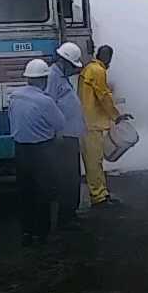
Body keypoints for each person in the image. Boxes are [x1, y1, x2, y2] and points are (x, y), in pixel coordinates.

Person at [9, 59, 66, 245]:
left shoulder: (15, 97)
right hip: (42, 150)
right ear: (43, 79)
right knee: (43, 193)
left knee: (25, 193)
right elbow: (60, 124)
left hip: (20, 150)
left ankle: (26, 232)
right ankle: (41, 234)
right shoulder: (45, 101)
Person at [78, 44, 128, 208]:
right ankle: (99, 197)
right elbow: (103, 97)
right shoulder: (98, 71)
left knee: (95, 161)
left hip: (88, 122)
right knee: (94, 162)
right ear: (108, 59)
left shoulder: (89, 68)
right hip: (91, 124)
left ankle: (101, 193)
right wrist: (117, 116)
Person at [45, 41, 86, 230]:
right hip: (63, 137)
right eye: (72, 66)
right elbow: (49, 106)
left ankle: (70, 213)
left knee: (72, 176)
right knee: (67, 177)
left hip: (70, 134)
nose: (73, 70)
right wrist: (57, 132)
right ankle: (66, 217)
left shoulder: (60, 76)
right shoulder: (52, 77)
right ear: (64, 62)